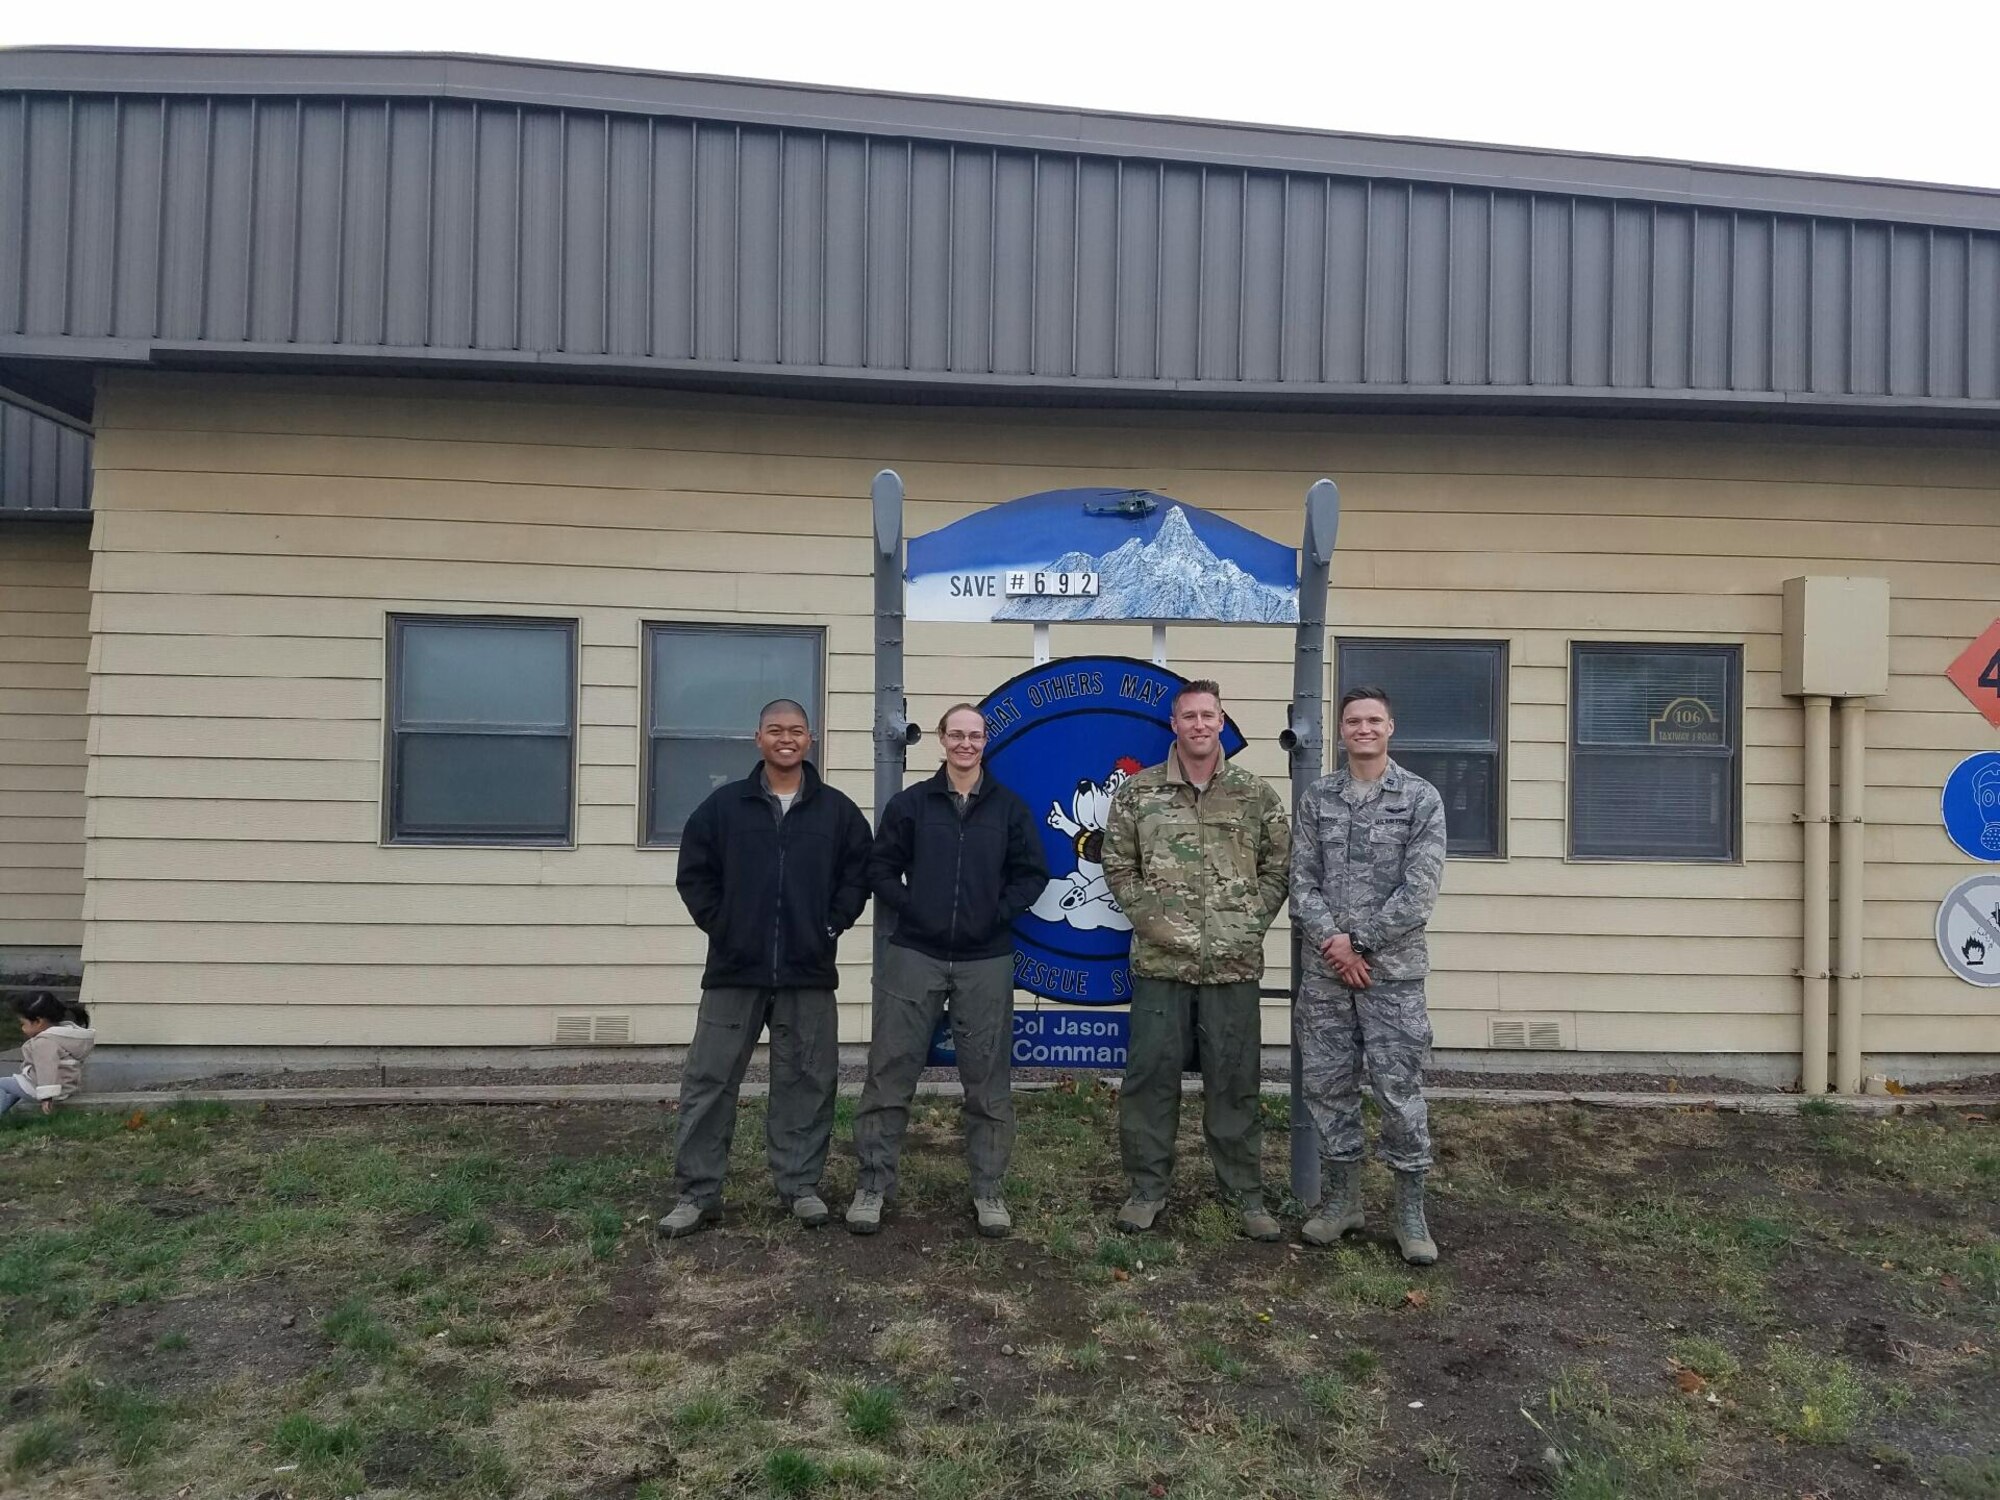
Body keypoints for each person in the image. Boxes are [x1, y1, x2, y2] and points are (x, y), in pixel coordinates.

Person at [659, 699, 872, 1238]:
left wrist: (831, 925)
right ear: (757, 739)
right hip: (734, 970)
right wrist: (724, 925)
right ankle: (697, 1193)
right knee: (708, 1081)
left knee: (806, 1080)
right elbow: (694, 874)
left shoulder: (837, 812)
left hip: (808, 970)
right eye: (775, 730)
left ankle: (800, 1186)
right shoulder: (723, 809)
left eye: (796, 731)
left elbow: (858, 874)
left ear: (810, 740)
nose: (786, 738)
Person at [847, 704, 1048, 1238]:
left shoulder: (1008, 809)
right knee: (890, 1072)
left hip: (986, 959)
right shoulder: (912, 805)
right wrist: (915, 908)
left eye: (974, 735)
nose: (965, 743)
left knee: (987, 1082)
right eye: (956, 734)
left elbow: (1033, 875)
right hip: (914, 954)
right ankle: (872, 1184)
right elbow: (880, 868)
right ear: (940, 739)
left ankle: (988, 1190)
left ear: (986, 741)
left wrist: (993, 914)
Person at [1101, 679, 1291, 1240]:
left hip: (1233, 967)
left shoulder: (1255, 795)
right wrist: (1153, 918)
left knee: (1235, 1082)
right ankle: (1146, 1189)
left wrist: (1248, 923)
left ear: (1221, 721)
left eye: (1209, 715)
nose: (1200, 725)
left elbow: (1279, 868)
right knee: (1150, 1082)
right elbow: (1118, 865)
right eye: (1189, 716)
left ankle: (1245, 1194)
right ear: (1174, 724)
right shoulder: (1139, 794)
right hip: (1161, 965)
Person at [1289, 686, 1449, 1265]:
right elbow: (1300, 881)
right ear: (1339, 731)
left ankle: (1410, 1213)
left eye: (1373, 720)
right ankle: (1342, 1203)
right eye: (1352, 720)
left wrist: (1359, 944)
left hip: (1392, 978)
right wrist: (1336, 948)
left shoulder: (1420, 799)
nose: (1362, 729)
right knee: (1329, 1090)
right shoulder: (1318, 799)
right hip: (1329, 977)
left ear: (1390, 728)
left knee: (1398, 1093)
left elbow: (1419, 891)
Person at [2, 991, 95, 1118]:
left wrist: (47, 1096)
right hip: (64, 1087)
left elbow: (46, 1068)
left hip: (43, 1087)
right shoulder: (63, 1037)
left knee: (2, 1084)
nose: (22, 1028)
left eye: (23, 1024)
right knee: (13, 1086)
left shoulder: (44, 1043)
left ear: (39, 1022)